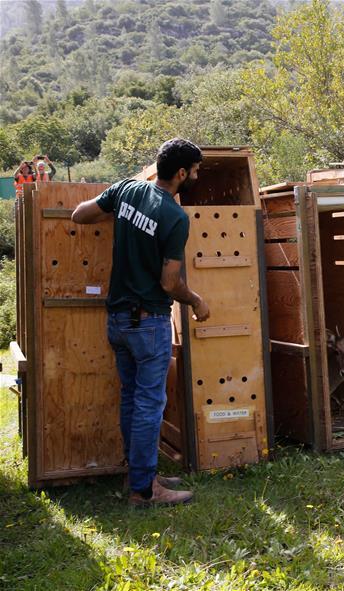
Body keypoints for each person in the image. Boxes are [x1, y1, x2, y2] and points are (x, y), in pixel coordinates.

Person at [72, 138, 210, 507]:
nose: (196, 175)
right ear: (182, 173)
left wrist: (119, 213)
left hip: (117, 319)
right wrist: (196, 301)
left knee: (132, 400)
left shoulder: (126, 190)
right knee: (150, 404)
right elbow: (169, 283)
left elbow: (79, 215)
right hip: (149, 323)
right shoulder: (175, 217)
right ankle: (145, 492)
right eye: (195, 170)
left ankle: (140, 474)